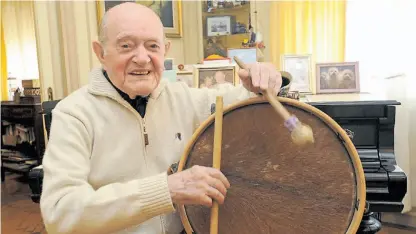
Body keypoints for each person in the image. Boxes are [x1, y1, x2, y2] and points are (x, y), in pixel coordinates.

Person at [39, 3, 282, 234]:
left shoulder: (182, 98)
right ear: (100, 52)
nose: (142, 58)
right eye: (126, 46)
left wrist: (264, 81)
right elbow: (60, 212)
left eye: (152, 46)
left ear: (165, 50)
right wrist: (166, 189)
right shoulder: (74, 114)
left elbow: (239, 101)